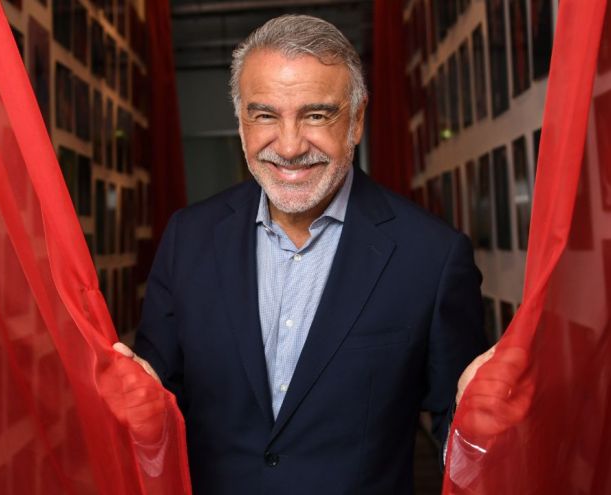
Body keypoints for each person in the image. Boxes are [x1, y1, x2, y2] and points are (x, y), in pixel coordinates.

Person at [112, 15, 489, 494]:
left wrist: (481, 430)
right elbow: (160, 403)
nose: (289, 147)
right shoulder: (187, 239)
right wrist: (140, 410)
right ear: (241, 123)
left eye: (316, 115)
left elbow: (457, 434)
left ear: (357, 120)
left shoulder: (432, 256)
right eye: (265, 115)